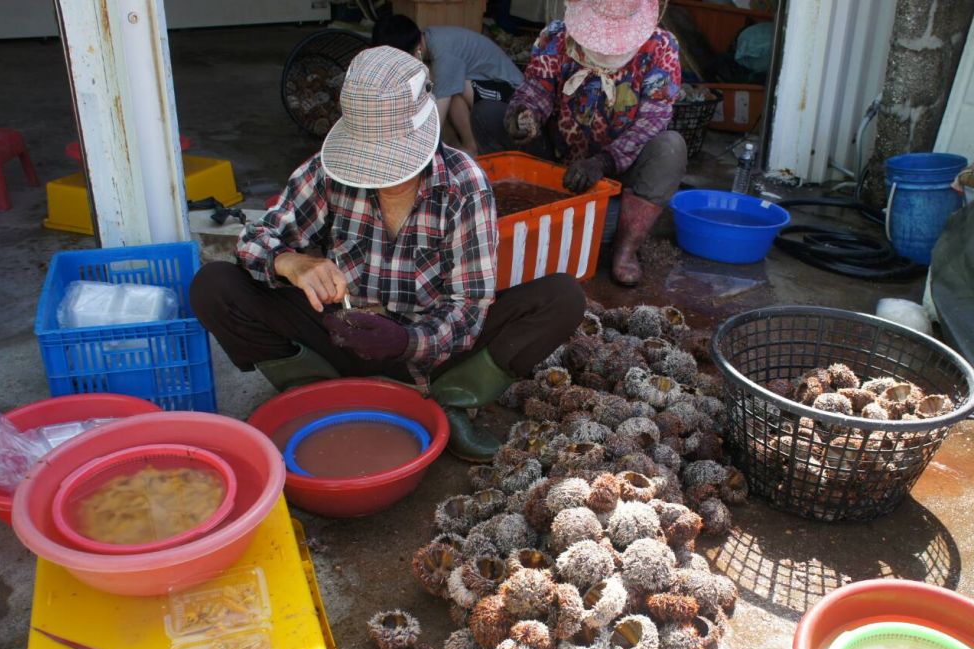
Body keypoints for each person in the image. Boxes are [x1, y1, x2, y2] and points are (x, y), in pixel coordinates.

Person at [190, 46, 584, 462]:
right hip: (340, 334)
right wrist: (291, 263)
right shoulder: (327, 172)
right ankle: (311, 391)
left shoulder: (465, 185)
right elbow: (254, 239)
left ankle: (450, 401)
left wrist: (405, 341)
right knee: (214, 285)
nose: (386, 179)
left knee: (562, 297)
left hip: (430, 352)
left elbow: (468, 311)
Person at [473, 0, 687, 287]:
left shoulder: (661, 46)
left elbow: (652, 121)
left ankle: (624, 249)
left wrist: (604, 162)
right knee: (488, 114)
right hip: (557, 158)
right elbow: (537, 85)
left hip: (620, 171)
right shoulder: (557, 36)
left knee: (671, 148)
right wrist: (525, 114)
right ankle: (516, 221)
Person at [372, 14, 525, 156]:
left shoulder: (444, 54)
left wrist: (415, 149)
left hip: (512, 91)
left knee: (450, 86)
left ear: (417, 50)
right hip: (481, 82)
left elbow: (437, 116)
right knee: (442, 83)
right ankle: (458, 145)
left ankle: (471, 148)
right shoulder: (428, 39)